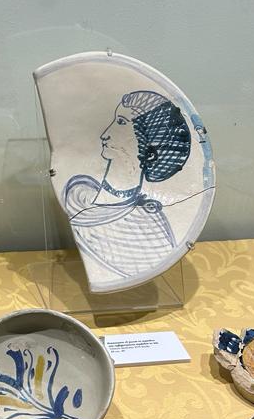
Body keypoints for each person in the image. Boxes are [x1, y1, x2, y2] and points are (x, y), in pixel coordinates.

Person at [62, 90, 191, 279]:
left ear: (149, 145)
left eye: (121, 123)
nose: (105, 134)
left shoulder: (151, 230)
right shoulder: (78, 192)